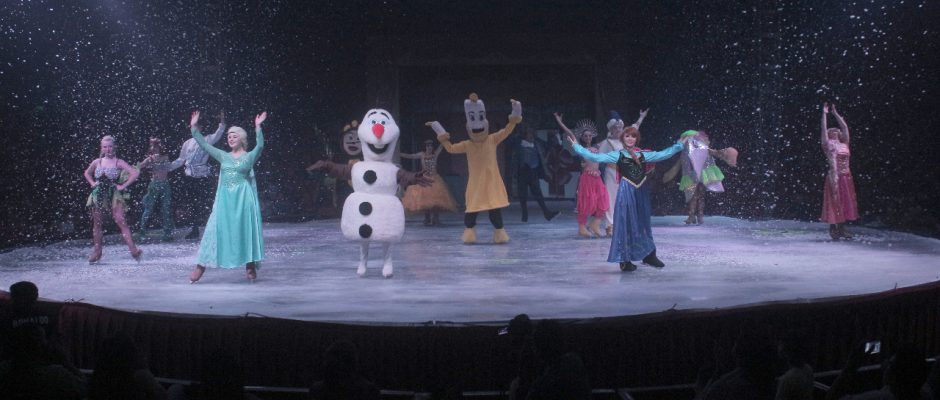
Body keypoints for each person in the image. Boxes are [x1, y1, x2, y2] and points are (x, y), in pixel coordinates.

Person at [565, 127, 686, 271]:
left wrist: (679, 145)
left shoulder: (643, 155)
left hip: (640, 192)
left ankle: (649, 255)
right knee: (626, 224)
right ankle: (625, 260)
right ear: (623, 139)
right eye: (627, 136)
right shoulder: (617, 155)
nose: (630, 139)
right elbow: (596, 158)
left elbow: (662, 155)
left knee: (643, 223)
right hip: (626, 192)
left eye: (633, 136)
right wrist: (576, 147)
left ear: (636, 139)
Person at [425, 94, 522, 244]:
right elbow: (450, 148)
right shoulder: (468, 144)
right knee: (472, 209)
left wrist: (516, 111)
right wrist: (439, 130)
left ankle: (499, 233)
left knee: (494, 209)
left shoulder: (492, 139)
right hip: (476, 184)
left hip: (491, 183)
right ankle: (470, 233)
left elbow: (507, 130)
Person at [188, 111, 266, 283]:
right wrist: (194, 127)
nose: (230, 138)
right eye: (229, 136)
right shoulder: (223, 156)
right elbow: (204, 145)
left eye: (234, 136)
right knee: (213, 229)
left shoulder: (249, 156)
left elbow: (260, 145)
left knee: (245, 229)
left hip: (243, 199)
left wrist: (258, 127)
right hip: (225, 200)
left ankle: (250, 265)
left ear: (242, 139)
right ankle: (200, 266)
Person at [83, 135, 142, 264]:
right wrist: (92, 183)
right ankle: (97, 251)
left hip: (113, 194)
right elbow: (87, 173)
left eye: (110, 146)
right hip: (98, 194)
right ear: (101, 148)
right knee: (97, 223)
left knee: (121, 220)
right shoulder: (97, 162)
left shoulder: (118, 162)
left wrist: (123, 186)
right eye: (105, 147)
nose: (108, 149)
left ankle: (134, 250)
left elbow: (135, 173)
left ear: (114, 147)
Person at [170, 112, 227, 240]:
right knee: (193, 204)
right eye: (192, 126)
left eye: (196, 126)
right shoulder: (187, 143)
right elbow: (181, 160)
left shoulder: (207, 140)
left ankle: (213, 229)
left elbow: (219, 133)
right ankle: (195, 229)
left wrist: (222, 122)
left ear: (200, 128)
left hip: (202, 177)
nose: (193, 128)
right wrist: (167, 167)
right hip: (189, 177)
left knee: (205, 203)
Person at [555, 113, 609, 238]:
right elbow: (570, 134)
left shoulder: (597, 146)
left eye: (590, 135)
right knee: (585, 203)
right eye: (585, 136)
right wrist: (560, 122)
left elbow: (610, 138)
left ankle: (595, 224)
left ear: (593, 136)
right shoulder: (580, 148)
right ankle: (582, 228)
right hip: (587, 179)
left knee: (603, 202)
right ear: (582, 137)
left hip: (597, 178)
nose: (588, 137)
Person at [597, 110, 648, 236]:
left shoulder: (625, 139)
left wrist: (641, 117)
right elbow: (598, 157)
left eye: (620, 127)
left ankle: (625, 225)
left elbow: (635, 127)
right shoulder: (606, 143)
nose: (619, 129)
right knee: (611, 199)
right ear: (611, 128)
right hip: (611, 172)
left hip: (625, 173)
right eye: (616, 127)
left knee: (626, 198)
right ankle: (610, 226)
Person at [820, 103, 858, 240]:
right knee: (834, 201)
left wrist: (835, 113)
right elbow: (823, 129)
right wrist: (824, 114)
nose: (835, 130)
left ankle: (841, 228)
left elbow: (845, 127)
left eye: (836, 129)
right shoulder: (827, 144)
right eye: (832, 129)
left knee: (844, 202)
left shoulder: (844, 143)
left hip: (846, 176)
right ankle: (833, 228)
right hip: (834, 176)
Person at [400, 140, 458, 225]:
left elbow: (441, 146)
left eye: (431, 146)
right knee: (425, 199)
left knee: (436, 199)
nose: (429, 147)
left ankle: (435, 218)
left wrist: (444, 138)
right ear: (425, 147)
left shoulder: (435, 154)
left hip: (435, 179)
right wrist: (400, 154)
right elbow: (411, 156)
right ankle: (427, 218)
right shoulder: (422, 155)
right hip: (425, 178)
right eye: (428, 146)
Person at [510, 127, 560, 223]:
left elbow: (548, 145)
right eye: (529, 134)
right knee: (522, 194)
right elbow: (510, 142)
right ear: (525, 136)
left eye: (533, 134)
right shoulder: (519, 144)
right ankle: (524, 215)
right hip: (522, 172)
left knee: (538, 193)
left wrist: (555, 135)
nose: (531, 136)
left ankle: (547, 213)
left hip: (533, 172)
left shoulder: (537, 143)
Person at [136, 137, 176, 241]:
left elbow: (170, 167)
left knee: (166, 209)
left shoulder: (165, 157)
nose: (155, 148)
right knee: (149, 208)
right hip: (154, 184)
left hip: (165, 185)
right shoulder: (150, 158)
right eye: (153, 146)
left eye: (156, 146)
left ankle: (167, 233)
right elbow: (139, 166)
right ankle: (142, 231)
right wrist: (127, 168)